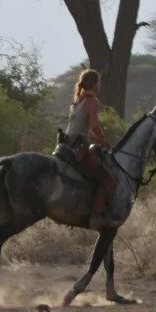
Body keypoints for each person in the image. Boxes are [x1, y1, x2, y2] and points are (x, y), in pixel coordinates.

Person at [54, 68, 116, 222]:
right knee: (107, 178)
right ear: (95, 84)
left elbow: (87, 130)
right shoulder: (92, 101)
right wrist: (105, 142)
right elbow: (94, 128)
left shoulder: (77, 101)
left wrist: (98, 139)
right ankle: (96, 216)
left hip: (64, 145)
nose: (99, 86)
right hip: (78, 146)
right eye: (99, 82)